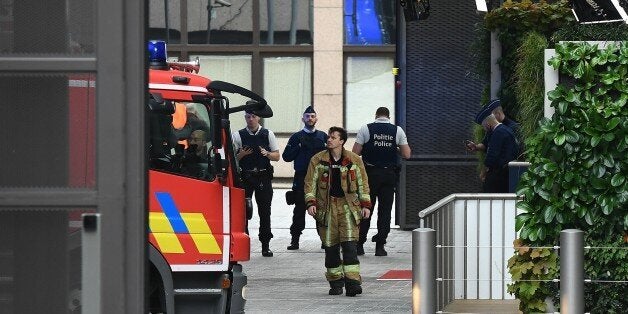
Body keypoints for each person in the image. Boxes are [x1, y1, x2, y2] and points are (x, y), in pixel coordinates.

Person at [304, 126, 371, 297]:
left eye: (333, 137)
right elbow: (309, 184)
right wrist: (310, 203)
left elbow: (363, 184)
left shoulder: (354, 160)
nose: (329, 140)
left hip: (348, 207)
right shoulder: (317, 160)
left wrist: (365, 205)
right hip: (326, 208)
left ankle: (353, 283)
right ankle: (335, 283)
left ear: (341, 141)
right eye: (329, 137)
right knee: (331, 247)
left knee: (350, 246)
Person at [352, 107, 411, 257]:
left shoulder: (365, 129)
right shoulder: (397, 130)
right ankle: (380, 246)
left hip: (369, 175)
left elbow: (355, 153)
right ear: (388, 116)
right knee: (385, 211)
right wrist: (394, 148)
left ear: (376, 116)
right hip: (388, 175)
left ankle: (359, 244)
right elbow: (407, 154)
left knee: (366, 208)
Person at [232, 110, 280, 257]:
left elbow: (277, 156)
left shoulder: (267, 134)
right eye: (248, 116)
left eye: (253, 116)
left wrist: (267, 154)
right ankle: (244, 244)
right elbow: (232, 159)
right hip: (246, 177)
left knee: (265, 211)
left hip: (263, 177)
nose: (251, 119)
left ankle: (265, 244)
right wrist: (241, 155)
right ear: (245, 118)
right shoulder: (238, 135)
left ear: (258, 117)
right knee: (243, 212)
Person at [282, 105, 328, 250]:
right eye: (307, 116)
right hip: (301, 177)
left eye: (312, 116)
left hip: (320, 178)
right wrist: (298, 147)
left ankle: (325, 240)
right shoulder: (296, 137)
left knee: (321, 209)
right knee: (299, 209)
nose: (310, 118)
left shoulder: (323, 136)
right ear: (303, 119)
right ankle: (295, 240)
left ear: (316, 119)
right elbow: (286, 157)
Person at [474, 110, 518, 193]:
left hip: (499, 175)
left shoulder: (498, 132)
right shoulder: (506, 130)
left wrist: (483, 173)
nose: (484, 129)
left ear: (488, 124)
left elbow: (491, 157)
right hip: (507, 173)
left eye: (484, 126)